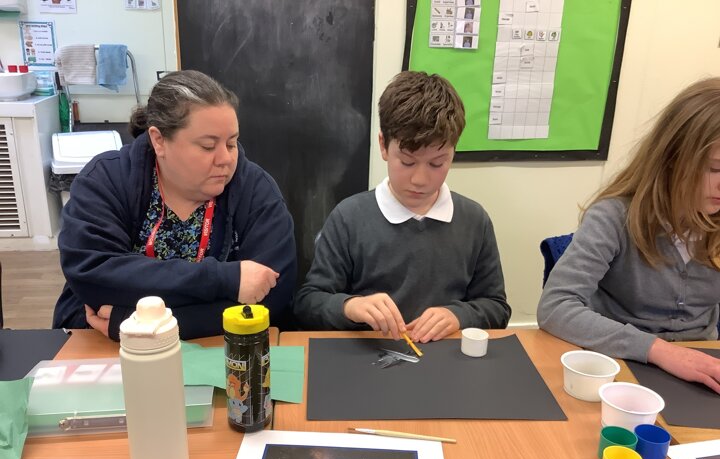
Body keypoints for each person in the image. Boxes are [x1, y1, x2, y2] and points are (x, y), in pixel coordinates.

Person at [53, 70, 297, 340]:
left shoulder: (256, 191)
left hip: (214, 347)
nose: (225, 159)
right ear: (159, 140)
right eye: (208, 146)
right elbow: (92, 275)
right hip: (103, 343)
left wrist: (140, 324)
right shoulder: (106, 179)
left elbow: (271, 297)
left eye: (231, 143)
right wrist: (226, 279)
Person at [293, 71, 511, 343]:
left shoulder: (474, 221)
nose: (420, 179)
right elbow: (309, 303)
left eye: (437, 163)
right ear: (384, 146)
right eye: (407, 162)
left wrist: (459, 315)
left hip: (446, 357)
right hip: (370, 356)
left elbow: (497, 308)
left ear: (453, 152)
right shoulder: (349, 218)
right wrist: (351, 307)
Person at [538, 77, 720, 393]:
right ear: (672, 159)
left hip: (702, 371)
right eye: (715, 168)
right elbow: (555, 308)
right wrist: (661, 351)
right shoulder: (614, 217)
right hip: (619, 368)